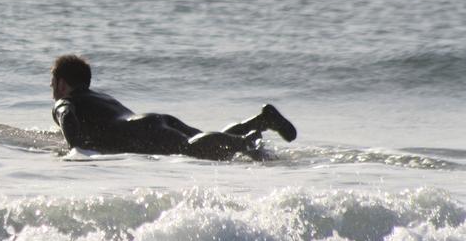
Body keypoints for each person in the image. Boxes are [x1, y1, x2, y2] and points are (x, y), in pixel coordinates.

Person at [50, 54, 296, 161]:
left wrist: (76, 148)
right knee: (200, 139)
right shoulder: (101, 97)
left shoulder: (66, 101)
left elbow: (66, 115)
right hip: (153, 121)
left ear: (62, 83)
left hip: (141, 132)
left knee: (192, 150)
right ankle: (260, 121)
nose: (52, 89)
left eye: (53, 83)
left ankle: (246, 142)